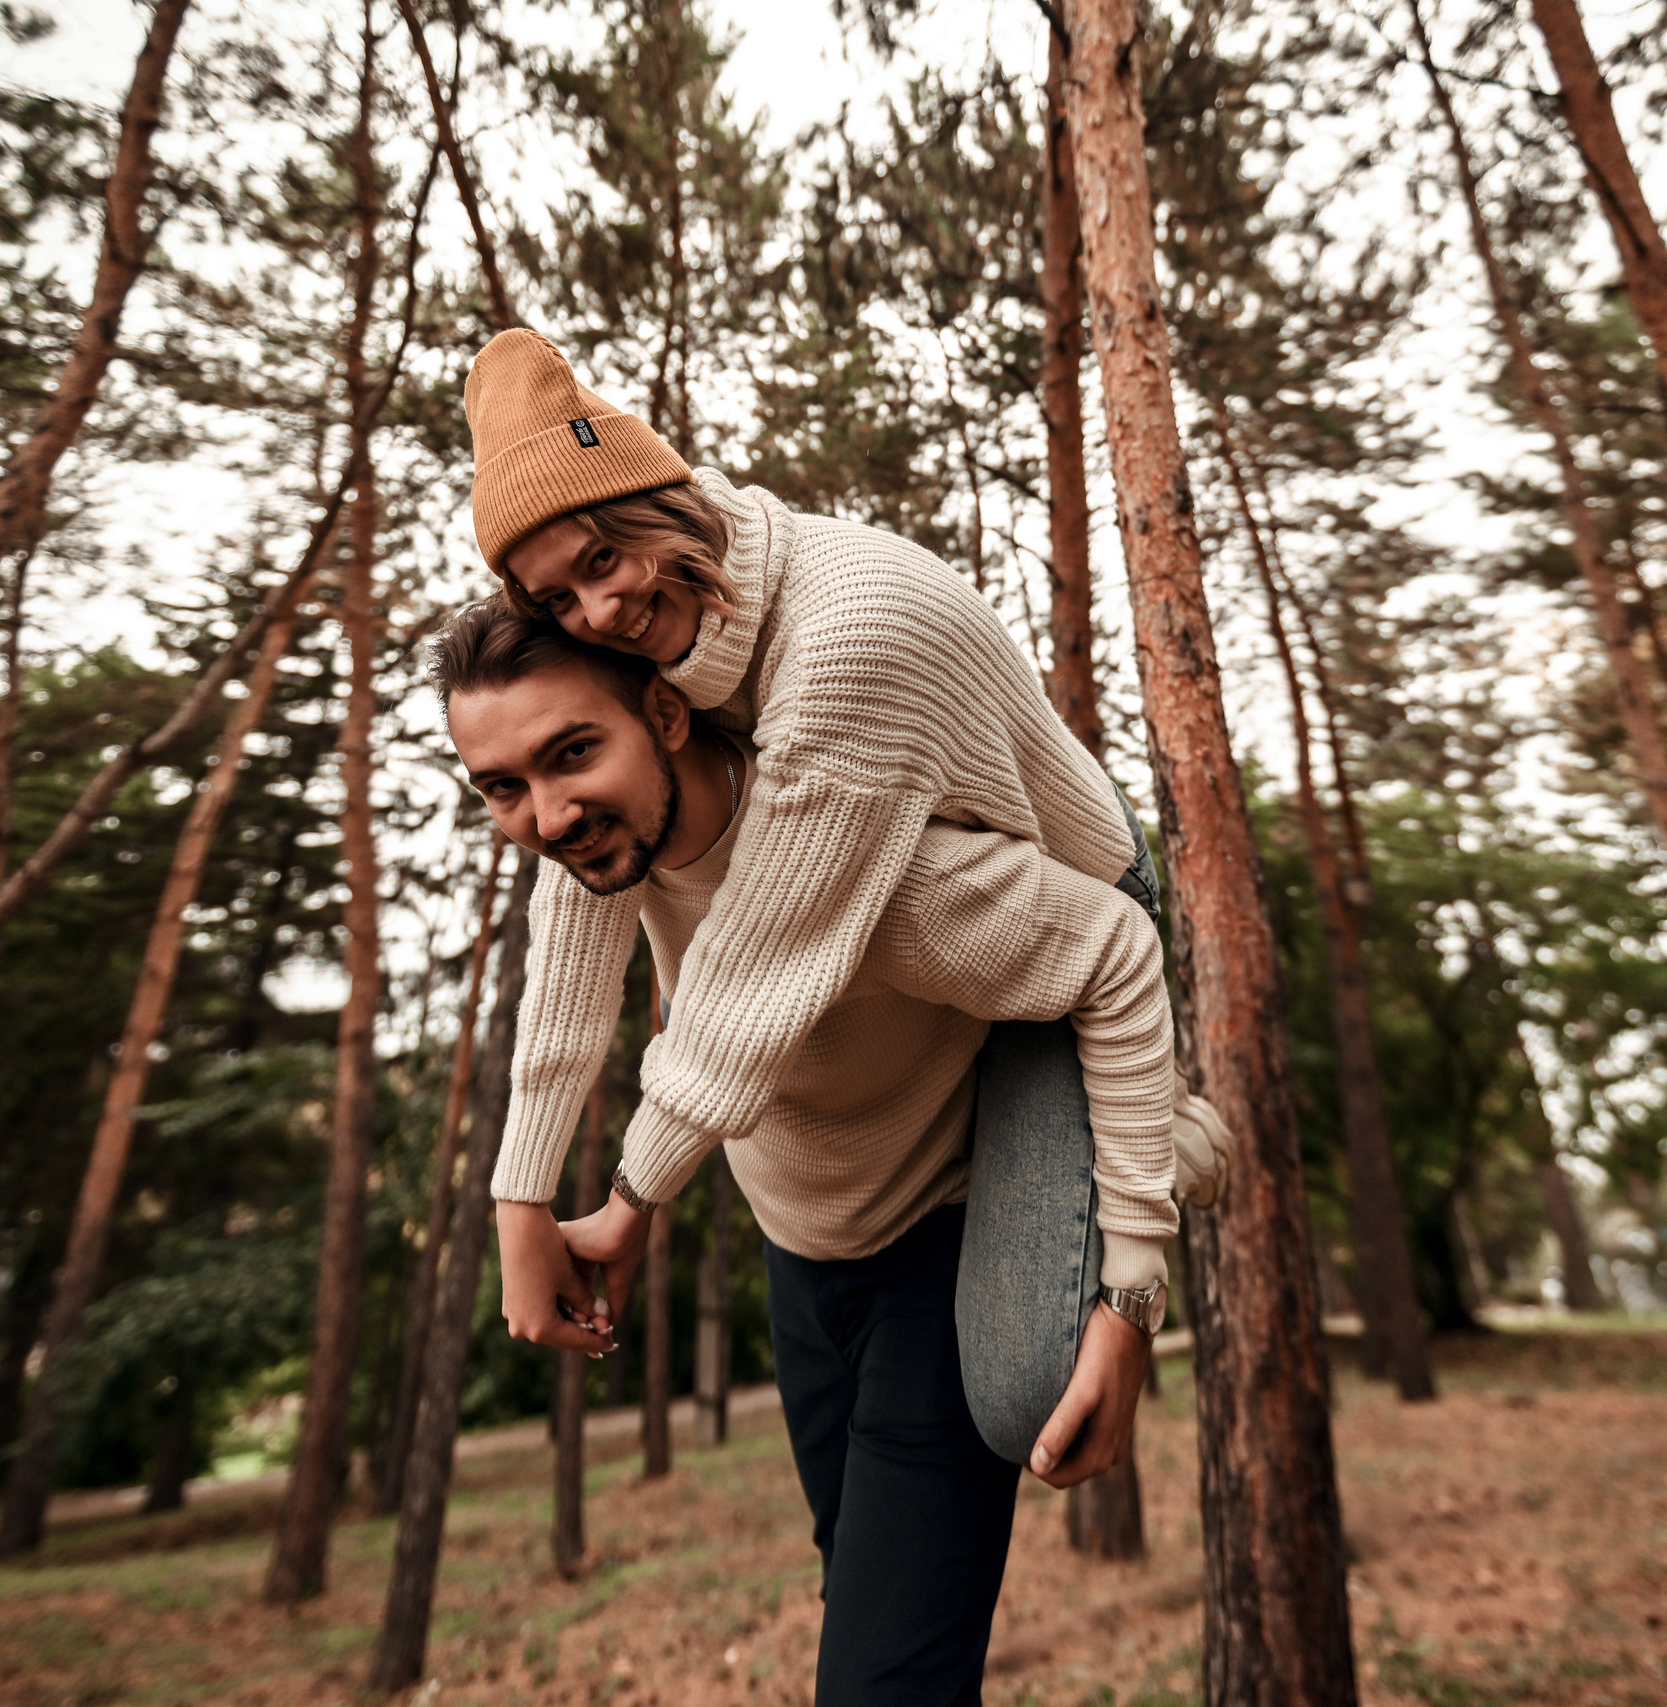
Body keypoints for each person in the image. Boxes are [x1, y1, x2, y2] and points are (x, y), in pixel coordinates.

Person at [461, 330, 1225, 1442]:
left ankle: (1157, 1121)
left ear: (660, 501)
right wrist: (518, 1188)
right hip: (942, 909)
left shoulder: (846, 643)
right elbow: (579, 896)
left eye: (600, 560)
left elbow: (757, 959)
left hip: (1071, 902)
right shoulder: (665, 636)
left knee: (1019, 1397)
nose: (597, 614)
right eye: (555, 599)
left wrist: (629, 1206)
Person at [438, 608, 1190, 1701]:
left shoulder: (882, 872)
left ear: (665, 710)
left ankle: (1178, 1132)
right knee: (870, 1618)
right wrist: (541, 1207)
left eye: (570, 754)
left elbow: (1118, 953)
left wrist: (1130, 1295)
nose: (546, 816)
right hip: (796, 1247)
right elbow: (566, 1017)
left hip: (940, 1250)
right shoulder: (605, 847)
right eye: (501, 787)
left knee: (882, 1683)